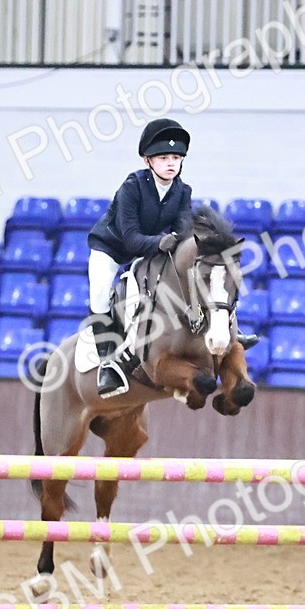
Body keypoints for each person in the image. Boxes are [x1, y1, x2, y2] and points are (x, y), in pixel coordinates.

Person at [86, 118, 256, 399]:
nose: (170, 163)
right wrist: (160, 241)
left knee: (203, 273)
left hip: (156, 248)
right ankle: (109, 363)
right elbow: (130, 237)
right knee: (101, 294)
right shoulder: (132, 187)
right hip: (113, 248)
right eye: (163, 157)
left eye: (176, 158)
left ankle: (228, 330)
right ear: (147, 161)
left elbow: (183, 229)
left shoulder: (182, 191)